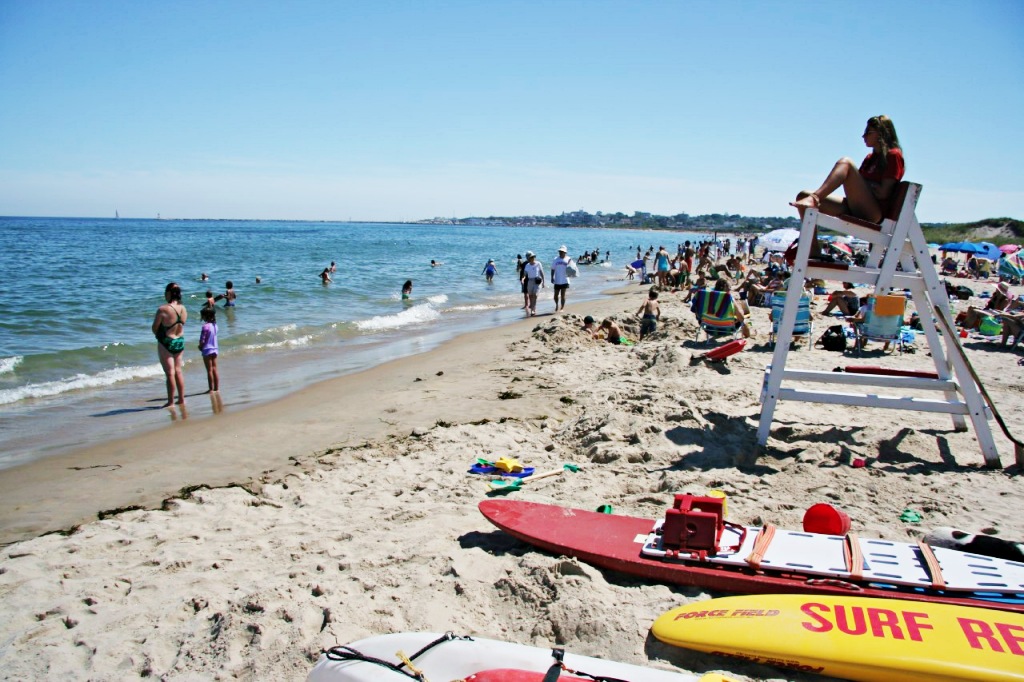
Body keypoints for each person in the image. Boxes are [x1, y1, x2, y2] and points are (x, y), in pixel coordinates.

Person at [791, 115, 905, 224]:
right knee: (803, 195)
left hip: (874, 214)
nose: (863, 136)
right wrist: (859, 184)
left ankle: (814, 198)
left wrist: (859, 183)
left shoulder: (893, 155)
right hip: (855, 207)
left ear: (881, 134)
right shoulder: (870, 158)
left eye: (868, 132)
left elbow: (883, 193)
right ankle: (813, 244)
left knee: (846, 163)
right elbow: (859, 187)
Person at [152, 282, 187, 407]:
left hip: (167, 341)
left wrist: (159, 335)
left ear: (168, 293)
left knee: (170, 373)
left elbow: (154, 328)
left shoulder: (163, 309)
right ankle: (181, 398)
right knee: (178, 371)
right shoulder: (183, 308)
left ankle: (171, 401)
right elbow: (182, 323)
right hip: (180, 341)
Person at [198, 306, 219, 393]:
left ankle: (210, 388)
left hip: (207, 349)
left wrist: (200, 346)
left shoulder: (205, 326)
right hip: (215, 348)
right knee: (214, 369)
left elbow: (203, 339)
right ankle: (216, 388)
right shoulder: (215, 326)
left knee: (209, 370)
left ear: (205, 316)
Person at [522, 251, 544, 316]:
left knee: (535, 295)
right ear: (528, 259)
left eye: (533, 257)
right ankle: (532, 307)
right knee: (531, 295)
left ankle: (533, 310)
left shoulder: (538, 263)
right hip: (530, 281)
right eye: (530, 258)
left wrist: (543, 282)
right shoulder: (527, 265)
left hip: (537, 281)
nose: (532, 258)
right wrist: (523, 279)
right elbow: (525, 274)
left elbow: (542, 272)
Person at [550, 246, 571, 312]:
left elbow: (572, 268)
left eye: (562, 252)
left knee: (563, 295)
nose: (560, 253)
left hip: (565, 280)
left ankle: (562, 308)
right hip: (557, 280)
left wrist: (572, 274)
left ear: (565, 252)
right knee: (555, 296)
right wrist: (552, 277)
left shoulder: (568, 259)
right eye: (560, 251)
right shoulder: (556, 259)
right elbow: (553, 269)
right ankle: (556, 304)